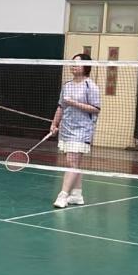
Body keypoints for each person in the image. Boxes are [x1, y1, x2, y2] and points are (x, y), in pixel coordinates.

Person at [50, 53, 100, 208]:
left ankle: (63, 194)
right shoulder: (67, 85)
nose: (73, 66)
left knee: (72, 161)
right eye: (72, 63)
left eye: (77, 63)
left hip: (82, 129)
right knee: (74, 162)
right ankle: (77, 195)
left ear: (86, 66)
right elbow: (61, 106)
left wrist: (74, 103)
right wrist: (54, 123)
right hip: (66, 128)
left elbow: (96, 109)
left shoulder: (91, 86)